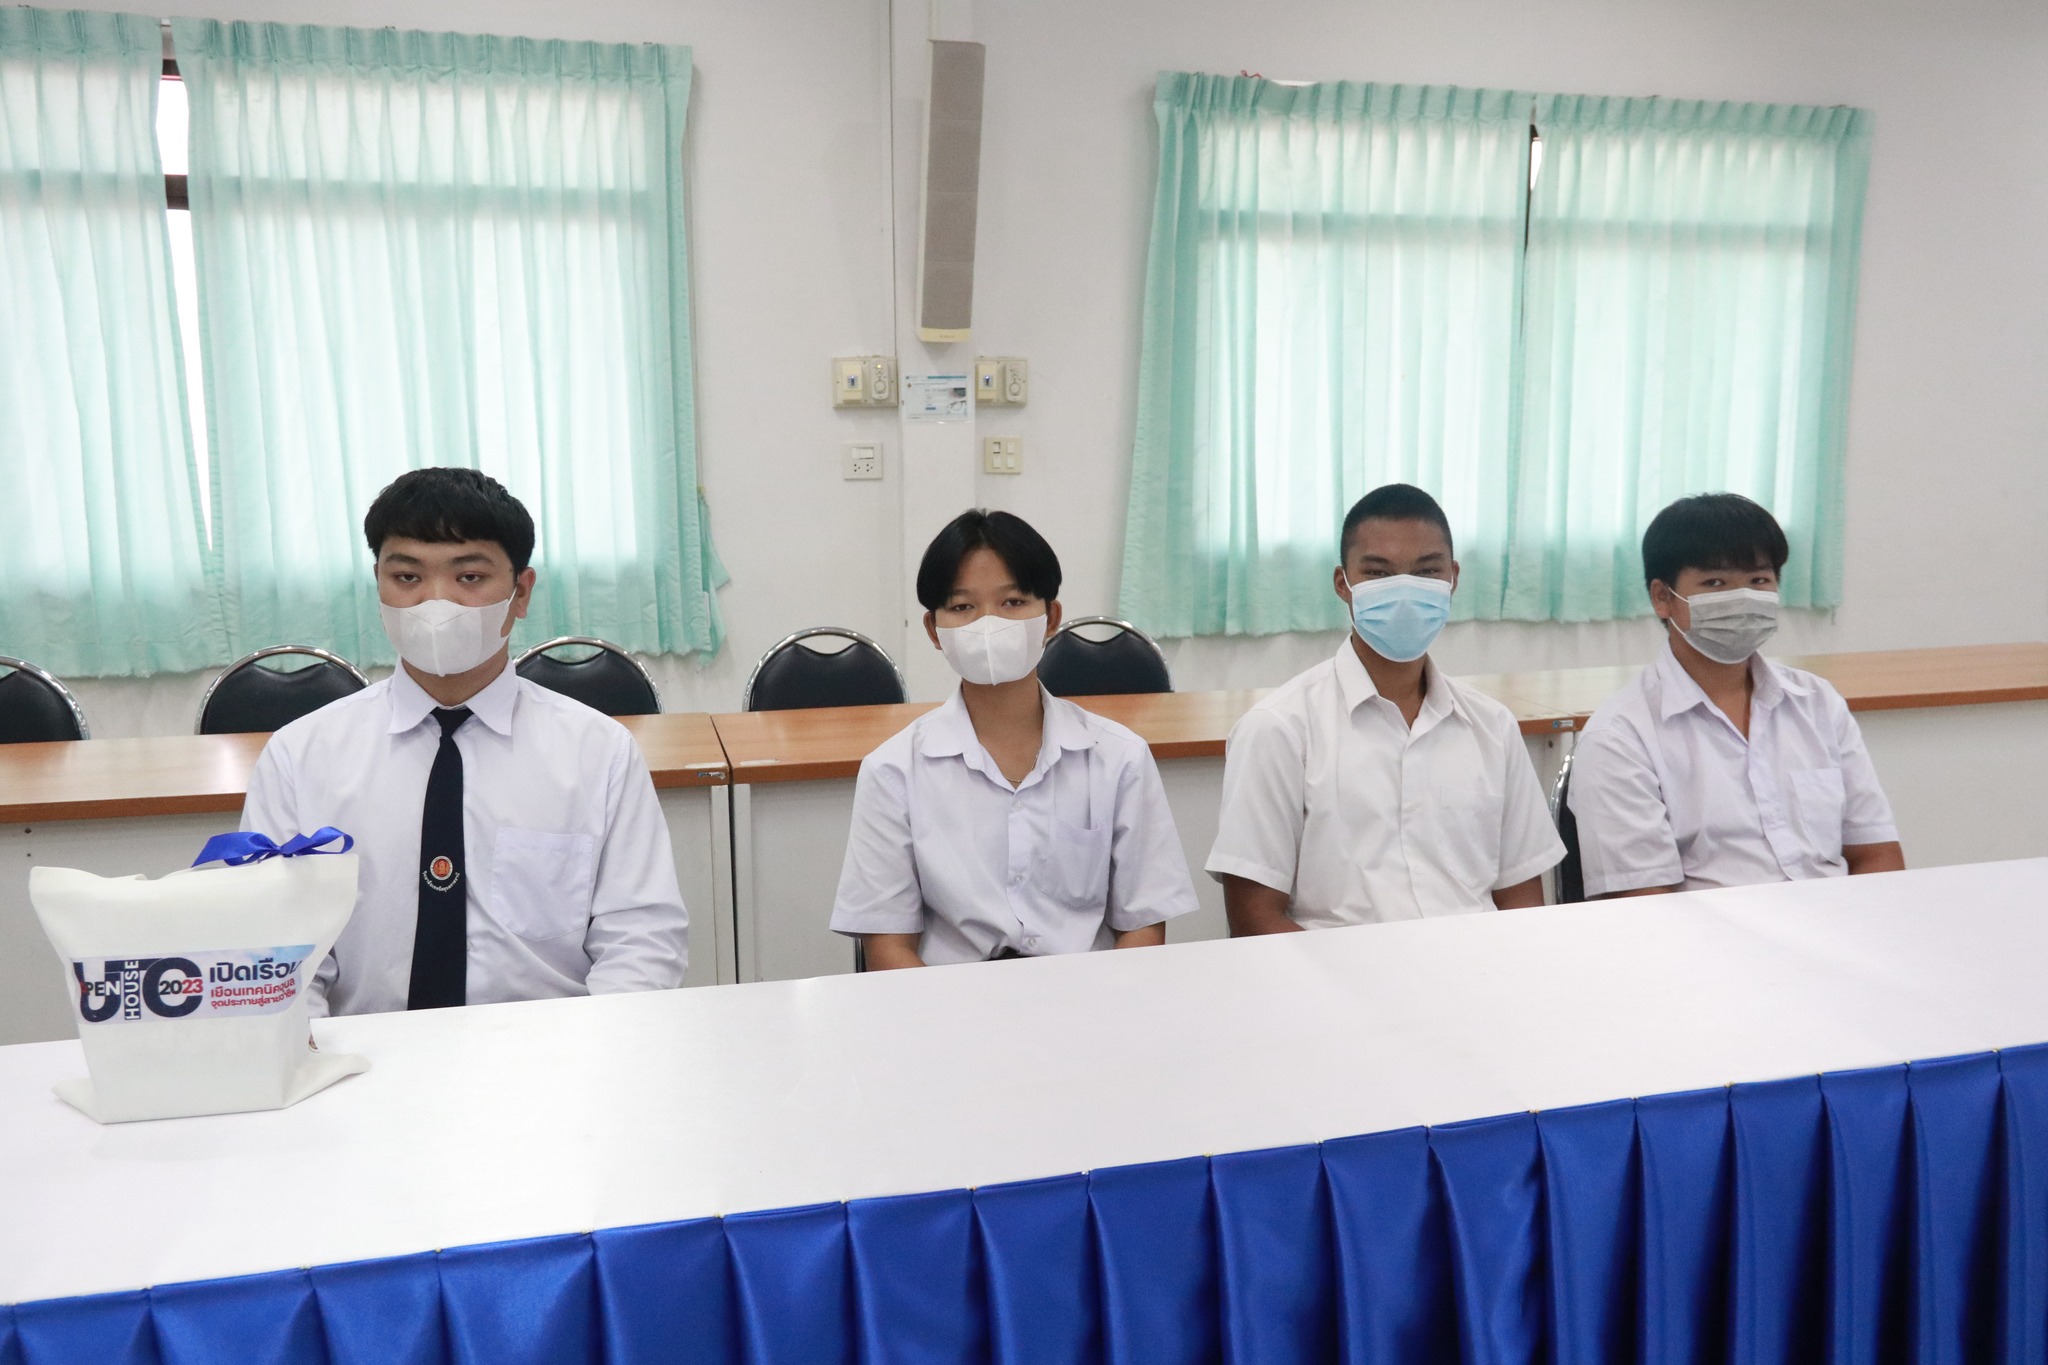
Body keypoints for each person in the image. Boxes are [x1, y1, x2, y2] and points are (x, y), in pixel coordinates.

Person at [242, 467, 688, 1015]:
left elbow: (642, 939)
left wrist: (589, 1052)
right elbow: (275, 950)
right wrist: (315, 1053)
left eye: (470, 577)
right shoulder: (300, 755)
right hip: (362, 1053)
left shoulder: (598, 751)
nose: (437, 603)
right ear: (378, 585)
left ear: (521, 592)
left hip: (555, 1050)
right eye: (407, 577)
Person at [830, 509, 1197, 967]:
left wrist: (1096, 1005)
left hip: (1088, 996)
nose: (989, 624)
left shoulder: (1119, 757)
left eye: (1013, 602)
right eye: (962, 607)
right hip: (949, 1000)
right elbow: (888, 946)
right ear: (934, 631)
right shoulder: (892, 772)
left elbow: (1143, 925)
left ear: (1051, 617)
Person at [1207, 483, 1563, 932]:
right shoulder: (1278, 730)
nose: (1405, 592)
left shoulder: (1493, 727)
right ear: (1344, 583)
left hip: (1477, 966)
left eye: (1426, 572)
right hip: (1336, 971)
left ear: (1453, 578)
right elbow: (1253, 919)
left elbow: (1522, 899)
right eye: (1378, 574)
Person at [1568, 493, 1904, 897]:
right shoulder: (1620, 736)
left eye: (1759, 580)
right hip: (1705, 936)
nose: (1742, 598)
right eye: (1715, 583)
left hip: (1836, 922)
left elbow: (1877, 855)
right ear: (1663, 598)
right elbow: (1645, 906)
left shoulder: (1817, 702)